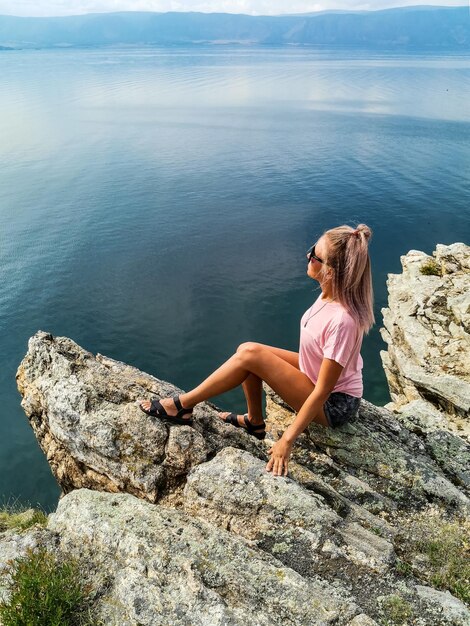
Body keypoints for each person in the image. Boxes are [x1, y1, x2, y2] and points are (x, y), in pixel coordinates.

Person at [140, 223, 374, 477]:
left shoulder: (343, 320)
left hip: (334, 404)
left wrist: (286, 441)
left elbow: (323, 391)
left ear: (331, 272)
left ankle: (181, 405)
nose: (308, 256)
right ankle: (254, 423)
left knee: (252, 356)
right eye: (311, 250)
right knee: (247, 349)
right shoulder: (328, 294)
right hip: (315, 372)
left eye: (315, 256)